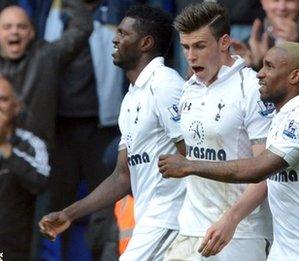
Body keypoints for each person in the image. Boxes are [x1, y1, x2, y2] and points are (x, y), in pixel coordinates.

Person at [159, 41, 299, 260]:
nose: (260, 74)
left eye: (269, 66)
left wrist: (189, 165)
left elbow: (257, 169)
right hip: (284, 251)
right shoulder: (280, 118)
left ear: (295, 76)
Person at [38, 5, 186, 260]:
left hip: (171, 219)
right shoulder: (131, 97)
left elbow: (193, 155)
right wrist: (69, 214)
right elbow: (121, 176)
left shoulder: (165, 85)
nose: (115, 39)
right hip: (149, 219)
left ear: (145, 43)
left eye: (123, 33)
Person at [164, 3, 273, 260]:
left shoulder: (251, 89)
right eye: (186, 47)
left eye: (200, 46)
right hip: (190, 228)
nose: (191, 56)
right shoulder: (188, 89)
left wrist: (231, 221)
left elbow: (267, 170)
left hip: (240, 232)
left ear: (224, 42)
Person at [0, 1, 92, 146]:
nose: (14, 32)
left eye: (22, 26)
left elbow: (81, 27)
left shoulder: (47, 56)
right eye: (7, 27)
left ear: (32, 33)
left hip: (38, 157)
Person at [0, 76, 49, 260]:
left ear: (16, 106)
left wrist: (5, 147)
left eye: (3, 99)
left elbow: (41, 182)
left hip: (13, 249)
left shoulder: (30, 143)